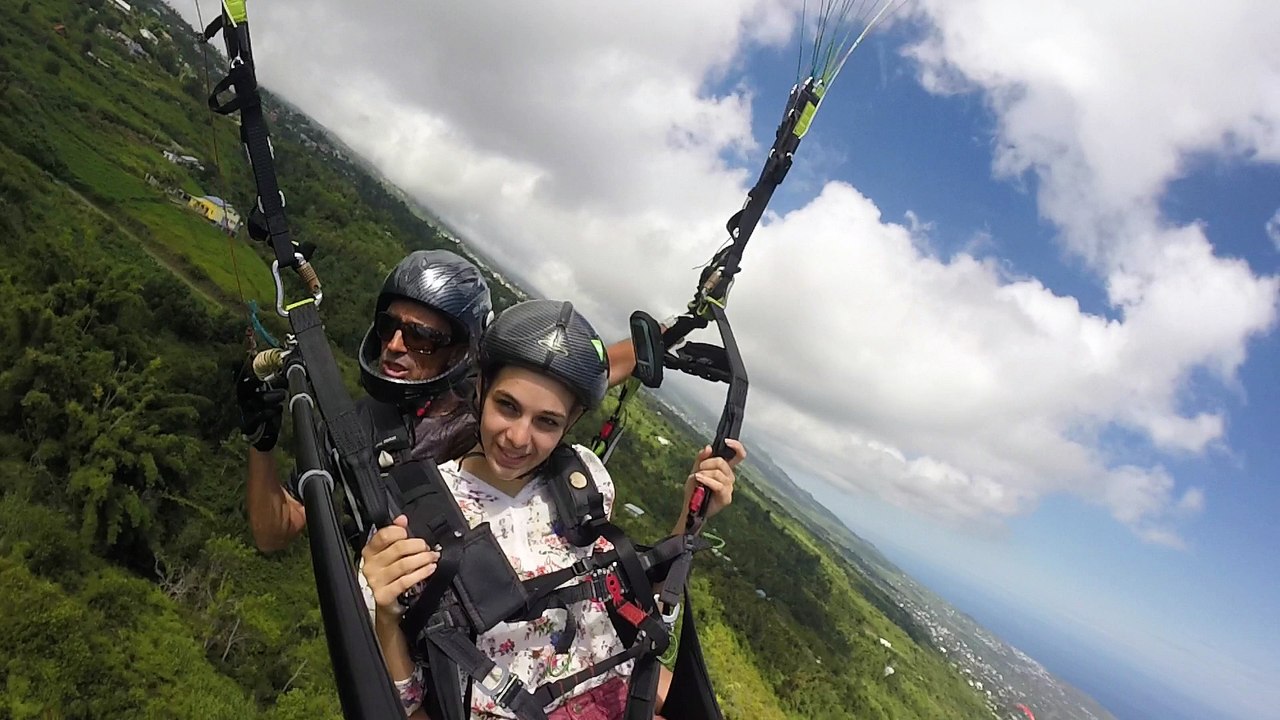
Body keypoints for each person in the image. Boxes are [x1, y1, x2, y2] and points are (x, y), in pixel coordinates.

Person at [360, 299, 746, 720]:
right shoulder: (417, 515)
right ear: (481, 389)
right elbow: (408, 703)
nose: (518, 438)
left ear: (571, 420)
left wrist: (692, 517)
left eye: (546, 422)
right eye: (507, 406)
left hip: (615, 691)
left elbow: (620, 604)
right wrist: (385, 614)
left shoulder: (583, 482)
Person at [236, 249, 643, 553]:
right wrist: (261, 444)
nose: (395, 346)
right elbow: (275, 530)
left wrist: (666, 334)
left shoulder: (488, 406)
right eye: (388, 327)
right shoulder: (353, 429)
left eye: (423, 338)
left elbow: (588, 367)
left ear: (459, 350)